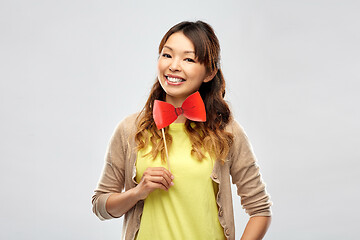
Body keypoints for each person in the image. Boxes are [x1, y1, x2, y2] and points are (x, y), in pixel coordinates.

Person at [92, 20, 272, 240]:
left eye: (188, 59)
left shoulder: (227, 132)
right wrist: (138, 192)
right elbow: (101, 206)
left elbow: (260, 210)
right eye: (167, 55)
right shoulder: (129, 130)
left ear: (209, 72)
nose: (174, 66)